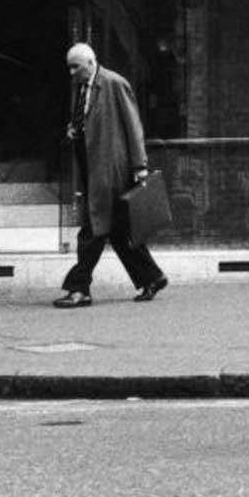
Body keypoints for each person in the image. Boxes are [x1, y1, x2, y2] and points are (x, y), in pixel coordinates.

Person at [53, 42, 166, 308]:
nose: (72, 72)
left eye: (76, 67)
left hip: (111, 173)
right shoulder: (82, 88)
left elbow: (133, 125)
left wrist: (140, 166)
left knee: (91, 232)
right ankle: (152, 277)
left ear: (91, 63)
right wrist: (74, 131)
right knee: (118, 233)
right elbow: (85, 122)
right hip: (93, 171)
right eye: (69, 67)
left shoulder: (114, 83)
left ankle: (79, 288)